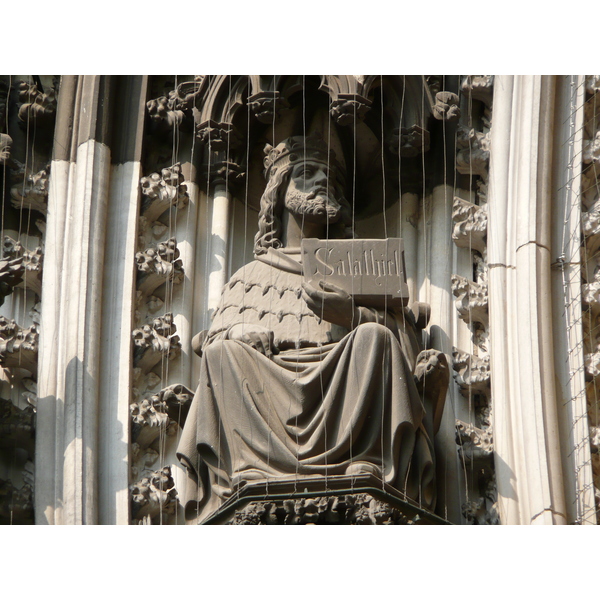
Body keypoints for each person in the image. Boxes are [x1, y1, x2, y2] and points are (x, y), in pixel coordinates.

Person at [177, 134, 448, 522]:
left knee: (374, 338)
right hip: (266, 393)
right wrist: (238, 334)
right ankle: (252, 466)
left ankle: (364, 458)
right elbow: (211, 343)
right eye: (307, 173)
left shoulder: (360, 269)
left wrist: (350, 315)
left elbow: (400, 348)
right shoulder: (250, 275)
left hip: (342, 389)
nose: (323, 182)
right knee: (224, 355)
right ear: (279, 190)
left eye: (331, 179)